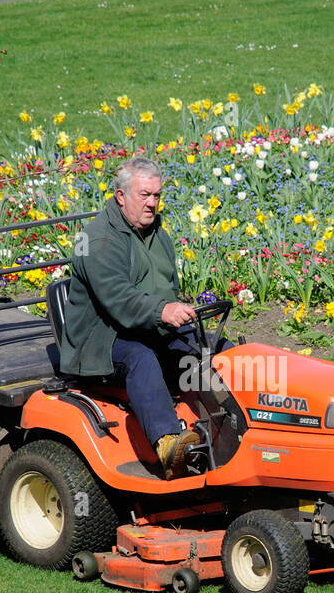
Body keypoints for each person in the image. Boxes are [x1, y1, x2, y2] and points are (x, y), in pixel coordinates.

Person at [58, 156, 225, 479]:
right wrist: (163, 311)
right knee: (141, 358)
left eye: (157, 195)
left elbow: (167, 286)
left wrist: (174, 314)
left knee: (216, 349)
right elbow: (119, 300)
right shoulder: (99, 240)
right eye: (144, 195)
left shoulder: (156, 231)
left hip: (147, 326)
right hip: (99, 340)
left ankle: (234, 429)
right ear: (121, 196)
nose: (152, 203)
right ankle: (168, 444)